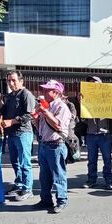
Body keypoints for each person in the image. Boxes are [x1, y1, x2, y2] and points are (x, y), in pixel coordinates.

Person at [33, 79, 72, 213]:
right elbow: (40, 128)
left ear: (56, 92)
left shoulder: (62, 107)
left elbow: (58, 125)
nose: (43, 92)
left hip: (56, 145)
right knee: (44, 176)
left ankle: (62, 199)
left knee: (58, 174)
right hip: (45, 144)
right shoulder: (47, 105)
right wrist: (36, 117)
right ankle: (46, 200)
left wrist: (44, 112)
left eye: (47, 90)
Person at [1, 71, 37, 201]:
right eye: (9, 80)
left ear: (21, 81)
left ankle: (28, 189)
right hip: (11, 134)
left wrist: (12, 121)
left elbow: (29, 115)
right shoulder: (9, 96)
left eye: (14, 80)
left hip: (23, 133)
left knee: (24, 162)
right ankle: (19, 184)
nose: (11, 83)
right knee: (15, 162)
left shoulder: (26, 94)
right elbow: (4, 112)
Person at [83, 76, 112, 190]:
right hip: (91, 133)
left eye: (95, 83)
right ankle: (91, 180)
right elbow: (78, 115)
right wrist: (79, 101)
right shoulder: (84, 98)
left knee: (107, 159)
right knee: (91, 159)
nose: (92, 85)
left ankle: (109, 181)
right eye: (90, 84)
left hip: (105, 134)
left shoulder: (108, 99)